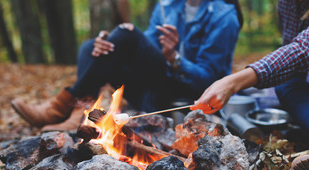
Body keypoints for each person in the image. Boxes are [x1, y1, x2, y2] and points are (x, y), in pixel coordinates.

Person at [12, 0, 241, 131]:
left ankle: (64, 104)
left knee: (125, 33)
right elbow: (145, 46)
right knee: (91, 45)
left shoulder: (224, 17)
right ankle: (80, 110)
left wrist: (174, 59)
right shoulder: (169, 5)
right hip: (152, 84)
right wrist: (109, 43)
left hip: (185, 97)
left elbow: (211, 81)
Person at [191, 0, 309, 133]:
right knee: (285, 86)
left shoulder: (223, 15)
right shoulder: (288, 3)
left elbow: (303, 50)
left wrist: (232, 83)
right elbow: (292, 59)